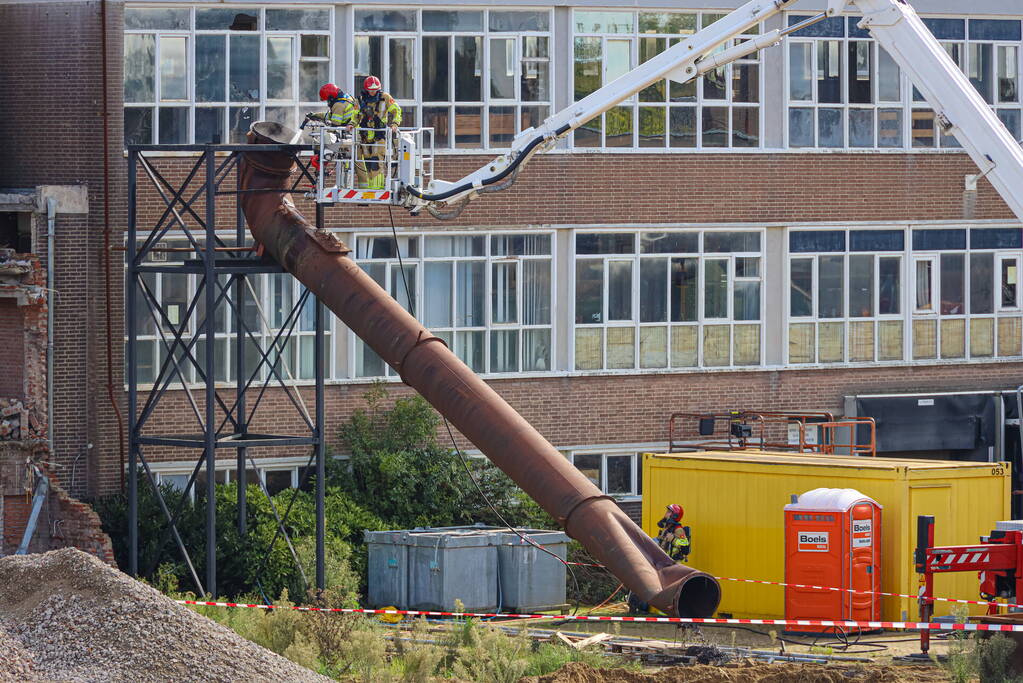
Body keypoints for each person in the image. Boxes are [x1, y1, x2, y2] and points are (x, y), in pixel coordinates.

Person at [352, 76, 403, 189]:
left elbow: (396, 110)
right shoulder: (360, 99)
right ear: (366, 89)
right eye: (371, 89)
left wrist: (395, 124)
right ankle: (368, 188)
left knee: (377, 161)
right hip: (365, 135)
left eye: (375, 89)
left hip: (379, 135)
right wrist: (352, 125)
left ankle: (377, 188)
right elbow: (355, 115)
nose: (373, 91)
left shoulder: (385, 97)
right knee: (367, 162)